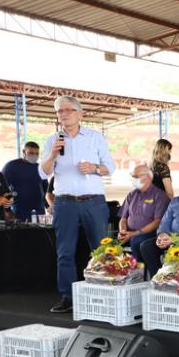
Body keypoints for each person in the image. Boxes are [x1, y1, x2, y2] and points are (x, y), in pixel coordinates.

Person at [38, 96, 115, 313]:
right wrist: (52, 153)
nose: (64, 114)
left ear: (80, 114)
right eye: (59, 111)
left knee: (100, 249)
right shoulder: (53, 140)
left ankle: (104, 293)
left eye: (69, 110)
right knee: (65, 252)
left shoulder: (94, 137)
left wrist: (95, 168)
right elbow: (43, 172)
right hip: (64, 203)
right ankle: (67, 296)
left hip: (93, 201)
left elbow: (110, 166)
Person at [118, 164, 170, 263]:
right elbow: (123, 218)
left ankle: (138, 272)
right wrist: (123, 231)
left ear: (148, 178)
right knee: (107, 243)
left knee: (136, 240)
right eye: (132, 176)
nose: (133, 179)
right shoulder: (131, 195)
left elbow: (158, 222)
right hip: (129, 233)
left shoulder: (160, 196)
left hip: (149, 233)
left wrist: (133, 234)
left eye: (135, 177)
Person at [1, 141, 46, 221]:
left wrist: (48, 206)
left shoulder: (40, 167)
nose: (34, 155)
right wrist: (7, 210)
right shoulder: (11, 166)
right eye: (31, 153)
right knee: (22, 233)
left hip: (39, 211)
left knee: (41, 233)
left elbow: (45, 188)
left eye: (37, 153)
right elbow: (3, 188)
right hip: (20, 210)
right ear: (24, 152)